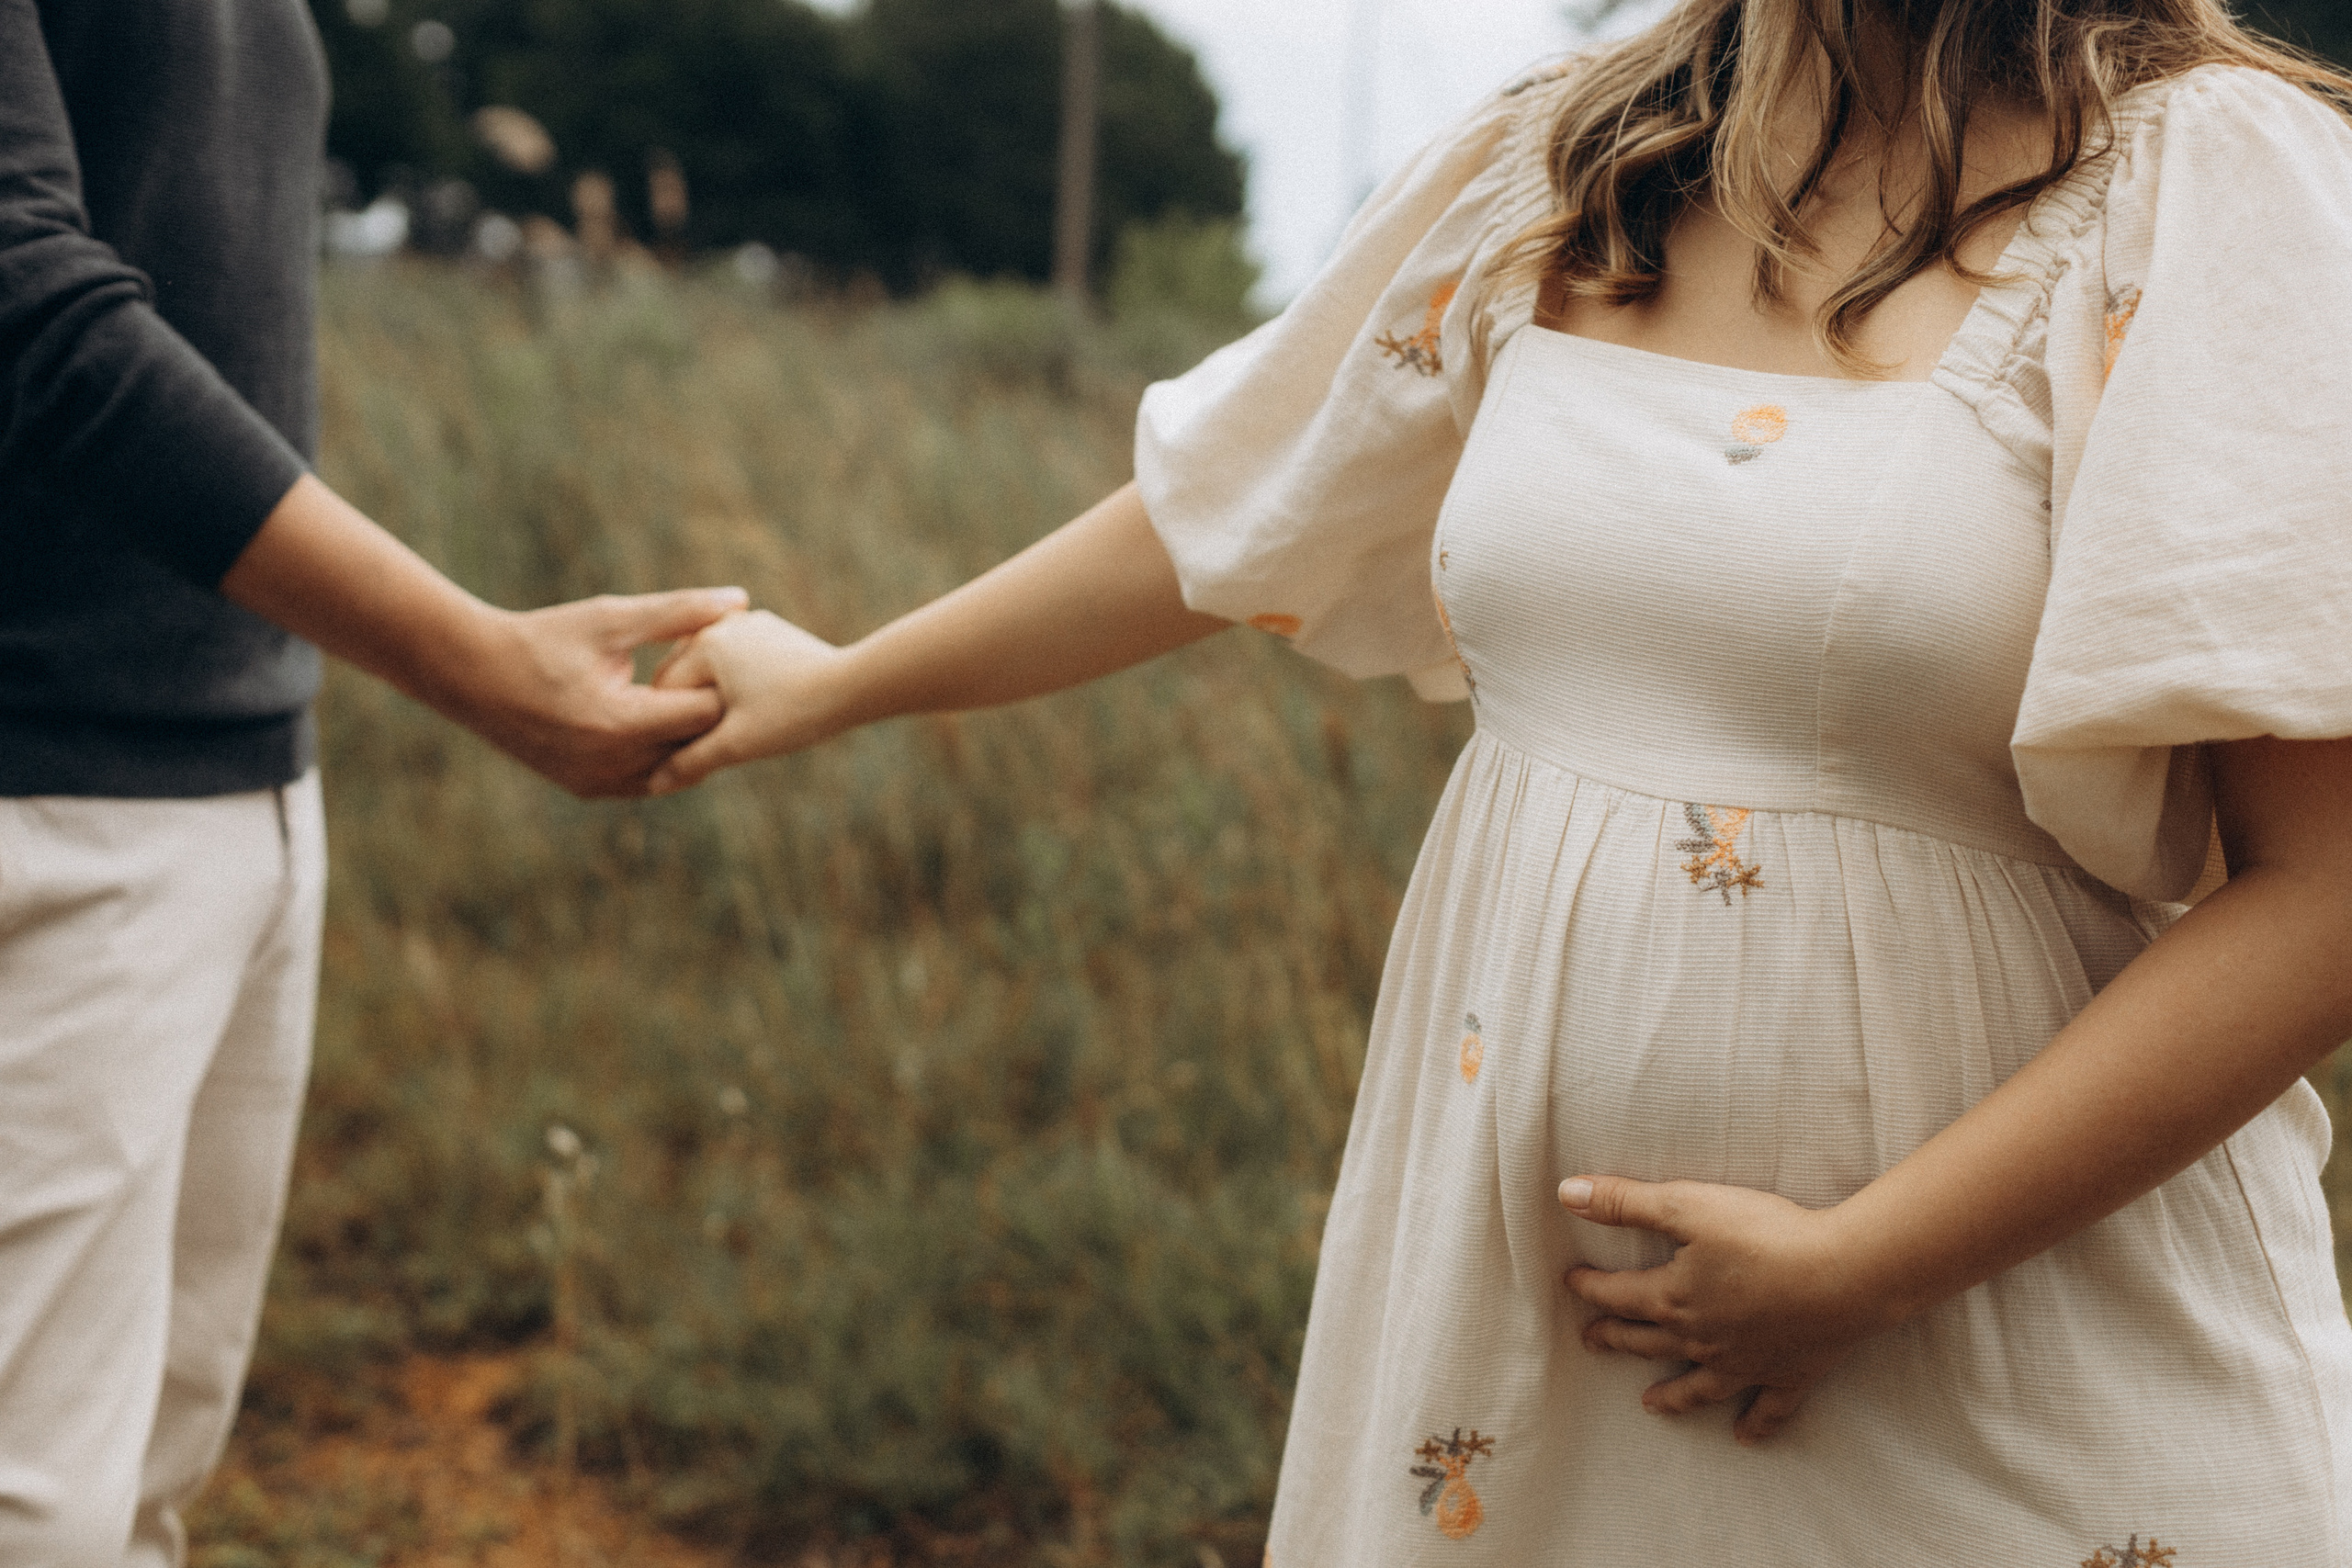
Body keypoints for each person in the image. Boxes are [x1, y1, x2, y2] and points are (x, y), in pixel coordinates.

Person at [654, 0, 2352, 1558]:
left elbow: (2327, 892)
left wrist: (1873, 1264)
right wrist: (841, 684)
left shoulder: (2207, 182)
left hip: (2020, 1365)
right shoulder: (1579, 158)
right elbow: (1240, 515)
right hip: (1530, 1360)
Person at [0, 0, 741, 1560]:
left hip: (241, 782)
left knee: (136, 1491)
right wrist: (470, 657)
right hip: (50, 793)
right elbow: (24, 299)